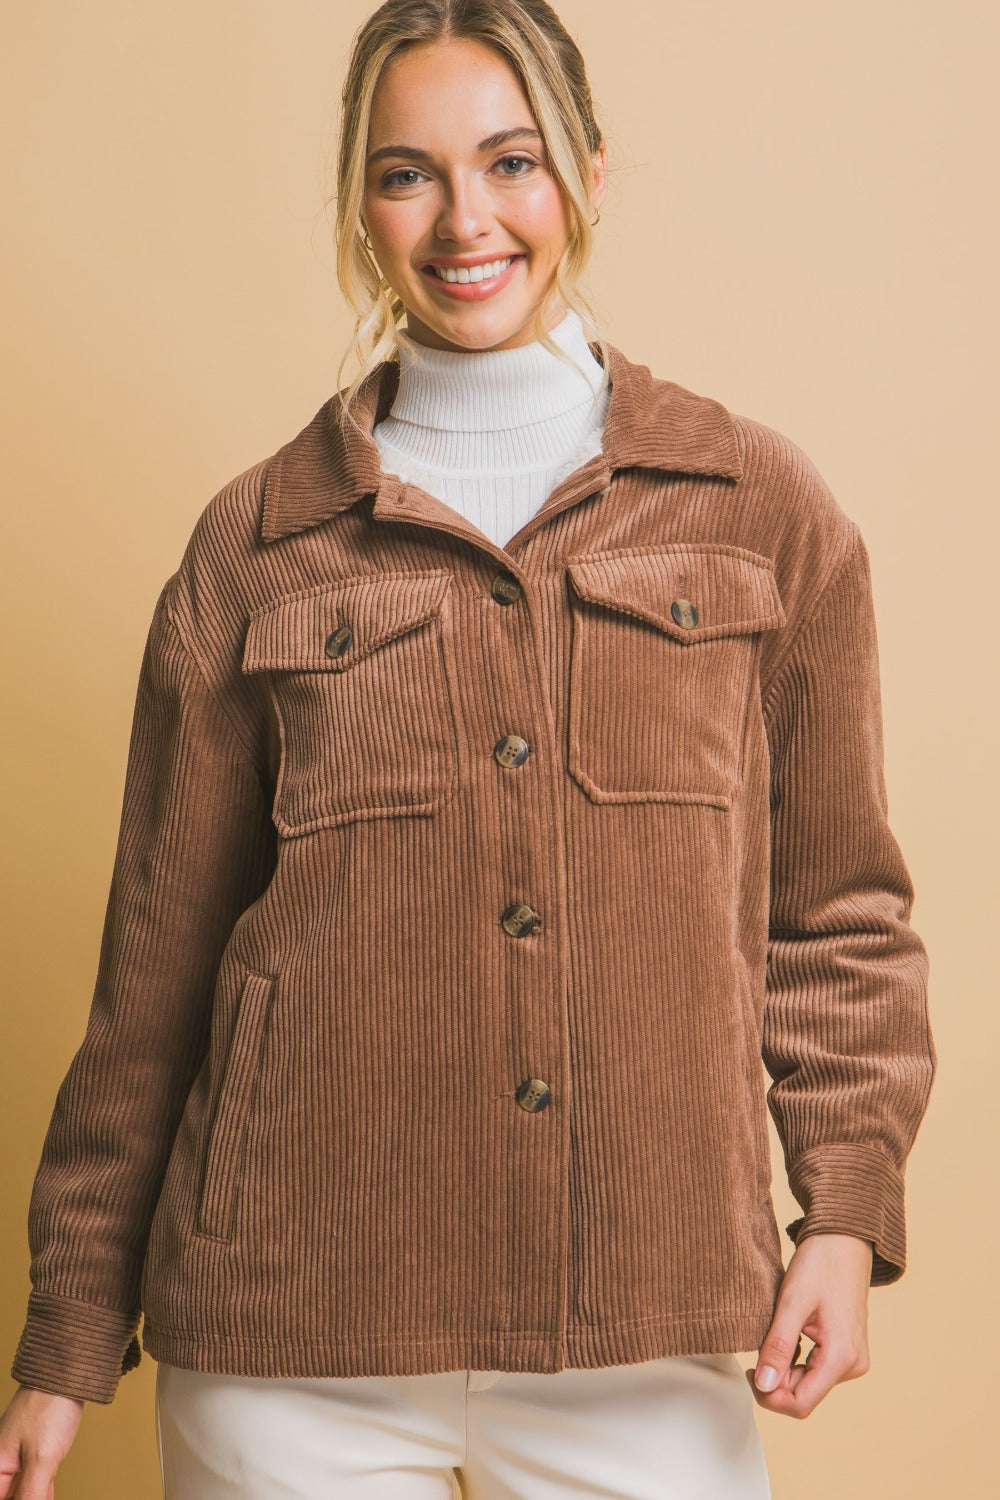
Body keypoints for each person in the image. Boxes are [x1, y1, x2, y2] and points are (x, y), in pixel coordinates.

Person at [1, 1, 937, 1496]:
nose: (463, 221)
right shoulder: (258, 548)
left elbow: (838, 919)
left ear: (589, 175)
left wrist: (844, 1208)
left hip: (645, 1324)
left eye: (511, 161)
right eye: (405, 174)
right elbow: (153, 984)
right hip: (286, 1347)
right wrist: (65, 1337)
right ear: (359, 208)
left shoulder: (759, 509)